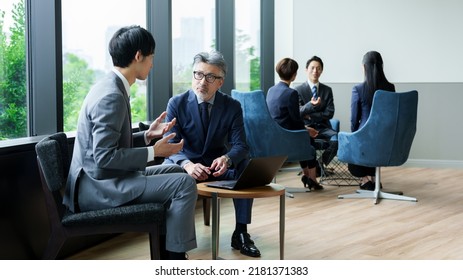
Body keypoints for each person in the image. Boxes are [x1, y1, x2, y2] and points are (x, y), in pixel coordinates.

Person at [63, 25, 197, 260]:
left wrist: (147, 137)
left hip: (97, 180)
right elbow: (104, 158)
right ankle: (175, 260)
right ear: (138, 56)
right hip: (98, 189)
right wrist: (152, 151)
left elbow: (106, 147)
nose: (153, 64)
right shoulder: (112, 96)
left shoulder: (109, 86)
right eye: (151, 57)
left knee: (177, 170)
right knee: (183, 185)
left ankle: (168, 254)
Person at [163, 50, 261, 258]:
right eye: (198, 74)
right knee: (168, 169)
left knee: (245, 164)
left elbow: (240, 145)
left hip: (216, 169)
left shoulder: (232, 106)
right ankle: (176, 248)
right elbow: (170, 144)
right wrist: (188, 165)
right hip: (186, 169)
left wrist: (226, 159)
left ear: (220, 82)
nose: (202, 82)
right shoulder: (176, 103)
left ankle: (241, 232)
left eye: (210, 77)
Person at [266, 58, 323, 190]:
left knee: (305, 137)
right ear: (294, 75)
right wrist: (307, 130)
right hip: (286, 140)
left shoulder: (271, 90)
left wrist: (305, 128)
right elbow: (296, 121)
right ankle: (312, 179)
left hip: (272, 139)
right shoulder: (291, 93)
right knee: (310, 143)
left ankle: (306, 175)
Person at [348, 50, 395, 191]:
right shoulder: (390, 88)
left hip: (365, 138)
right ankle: (374, 179)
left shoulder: (358, 89)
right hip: (386, 139)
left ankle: (366, 180)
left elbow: (354, 119)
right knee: (371, 144)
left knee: (354, 145)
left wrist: (354, 135)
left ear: (364, 67)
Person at [294, 56, 338, 169]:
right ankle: (311, 170)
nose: (315, 71)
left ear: (322, 71)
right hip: (306, 128)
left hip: (324, 128)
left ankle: (319, 165)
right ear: (306, 70)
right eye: (312, 68)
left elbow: (330, 113)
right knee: (305, 143)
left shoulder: (327, 90)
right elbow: (298, 112)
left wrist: (310, 115)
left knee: (337, 140)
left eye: (318, 68)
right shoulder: (298, 90)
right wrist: (310, 111)